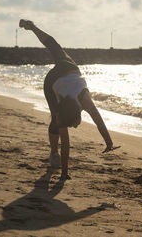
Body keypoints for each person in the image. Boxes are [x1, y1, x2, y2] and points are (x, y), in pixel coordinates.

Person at [19, 19, 120, 180]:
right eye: (73, 124)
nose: (76, 126)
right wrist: (64, 173)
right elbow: (65, 143)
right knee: (55, 122)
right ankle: (53, 153)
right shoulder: (61, 109)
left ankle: (32, 26)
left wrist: (109, 142)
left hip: (70, 68)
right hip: (51, 82)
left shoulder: (85, 99)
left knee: (54, 46)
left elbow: (98, 120)